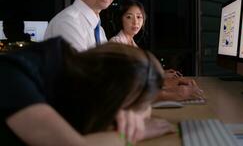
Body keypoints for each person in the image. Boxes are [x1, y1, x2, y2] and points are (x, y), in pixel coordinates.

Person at [0, 37, 175, 145]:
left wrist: (133, 112)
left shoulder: (69, 67)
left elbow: (146, 109)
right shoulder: (16, 75)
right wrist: (134, 134)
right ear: (108, 95)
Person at [109, 0, 204, 101]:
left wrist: (162, 74)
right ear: (120, 19)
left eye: (139, 17)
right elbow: (127, 83)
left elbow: (139, 75)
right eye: (129, 17)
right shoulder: (116, 43)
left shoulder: (132, 44)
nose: (135, 22)